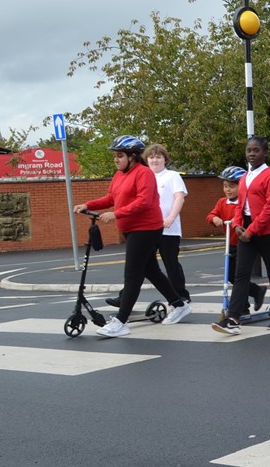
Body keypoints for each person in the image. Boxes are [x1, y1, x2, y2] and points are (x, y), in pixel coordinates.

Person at [74, 136, 191, 337]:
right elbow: (111, 198)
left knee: (133, 274)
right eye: (115, 156)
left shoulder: (143, 173)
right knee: (151, 271)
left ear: (133, 156)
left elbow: (144, 202)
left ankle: (121, 321)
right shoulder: (120, 175)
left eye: (120, 156)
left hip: (146, 228)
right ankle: (179, 304)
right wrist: (88, 204)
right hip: (131, 229)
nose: (116, 160)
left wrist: (116, 214)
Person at [212, 136, 270, 333]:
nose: (252, 154)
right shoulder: (245, 177)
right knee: (241, 274)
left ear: (265, 153)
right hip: (246, 229)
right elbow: (240, 205)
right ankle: (233, 318)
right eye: (249, 150)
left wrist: (252, 230)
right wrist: (238, 224)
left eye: (256, 150)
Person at [206, 166, 266, 314]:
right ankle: (256, 291)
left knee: (240, 275)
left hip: (244, 243)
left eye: (232, 186)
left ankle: (242, 307)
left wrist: (236, 221)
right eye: (225, 186)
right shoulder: (222, 202)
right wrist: (215, 218)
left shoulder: (245, 203)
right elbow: (210, 215)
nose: (228, 190)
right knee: (232, 276)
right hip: (230, 245)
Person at [144, 143, 191, 310]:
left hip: (168, 228)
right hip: (148, 228)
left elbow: (179, 197)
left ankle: (181, 295)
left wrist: (171, 217)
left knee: (170, 263)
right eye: (151, 157)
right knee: (141, 263)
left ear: (165, 159)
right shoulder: (145, 176)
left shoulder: (172, 176)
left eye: (158, 157)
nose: (154, 160)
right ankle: (123, 298)